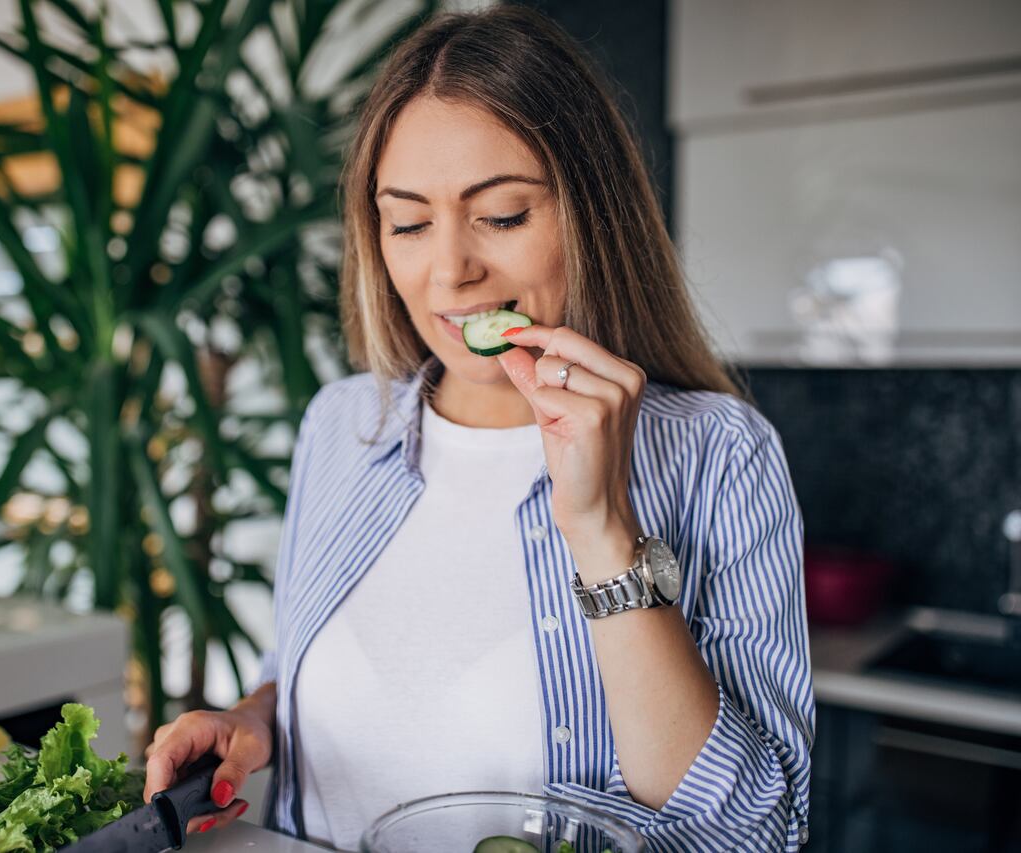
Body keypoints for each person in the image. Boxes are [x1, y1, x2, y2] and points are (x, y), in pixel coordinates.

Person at [143, 6, 813, 851]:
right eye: (410, 222)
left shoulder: (719, 453)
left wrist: (603, 531)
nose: (451, 271)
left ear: (590, 215)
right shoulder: (344, 424)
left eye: (501, 215)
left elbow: (754, 832)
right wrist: (254, 717)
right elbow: (315, 669)